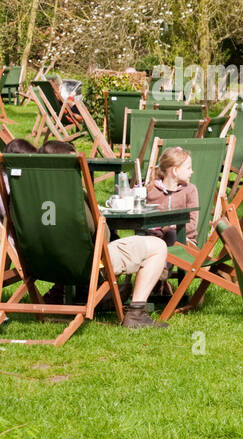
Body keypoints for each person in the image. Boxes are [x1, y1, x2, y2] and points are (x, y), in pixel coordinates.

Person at [30, 139, 168, 328]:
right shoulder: (74, 197)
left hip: (38, 264)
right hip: (85, 264)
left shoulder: (26, 197)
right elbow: (97, 233)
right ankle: (135, 314)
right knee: (157, 246)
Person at [144, 146, 199, 245]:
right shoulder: (151, 189)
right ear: (175, 171)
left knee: (170, 233)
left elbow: (193, 223)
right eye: (188, 168)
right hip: (156, 238)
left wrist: (173, 226)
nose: (192, 172)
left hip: (183, 239)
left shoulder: (190, 190)